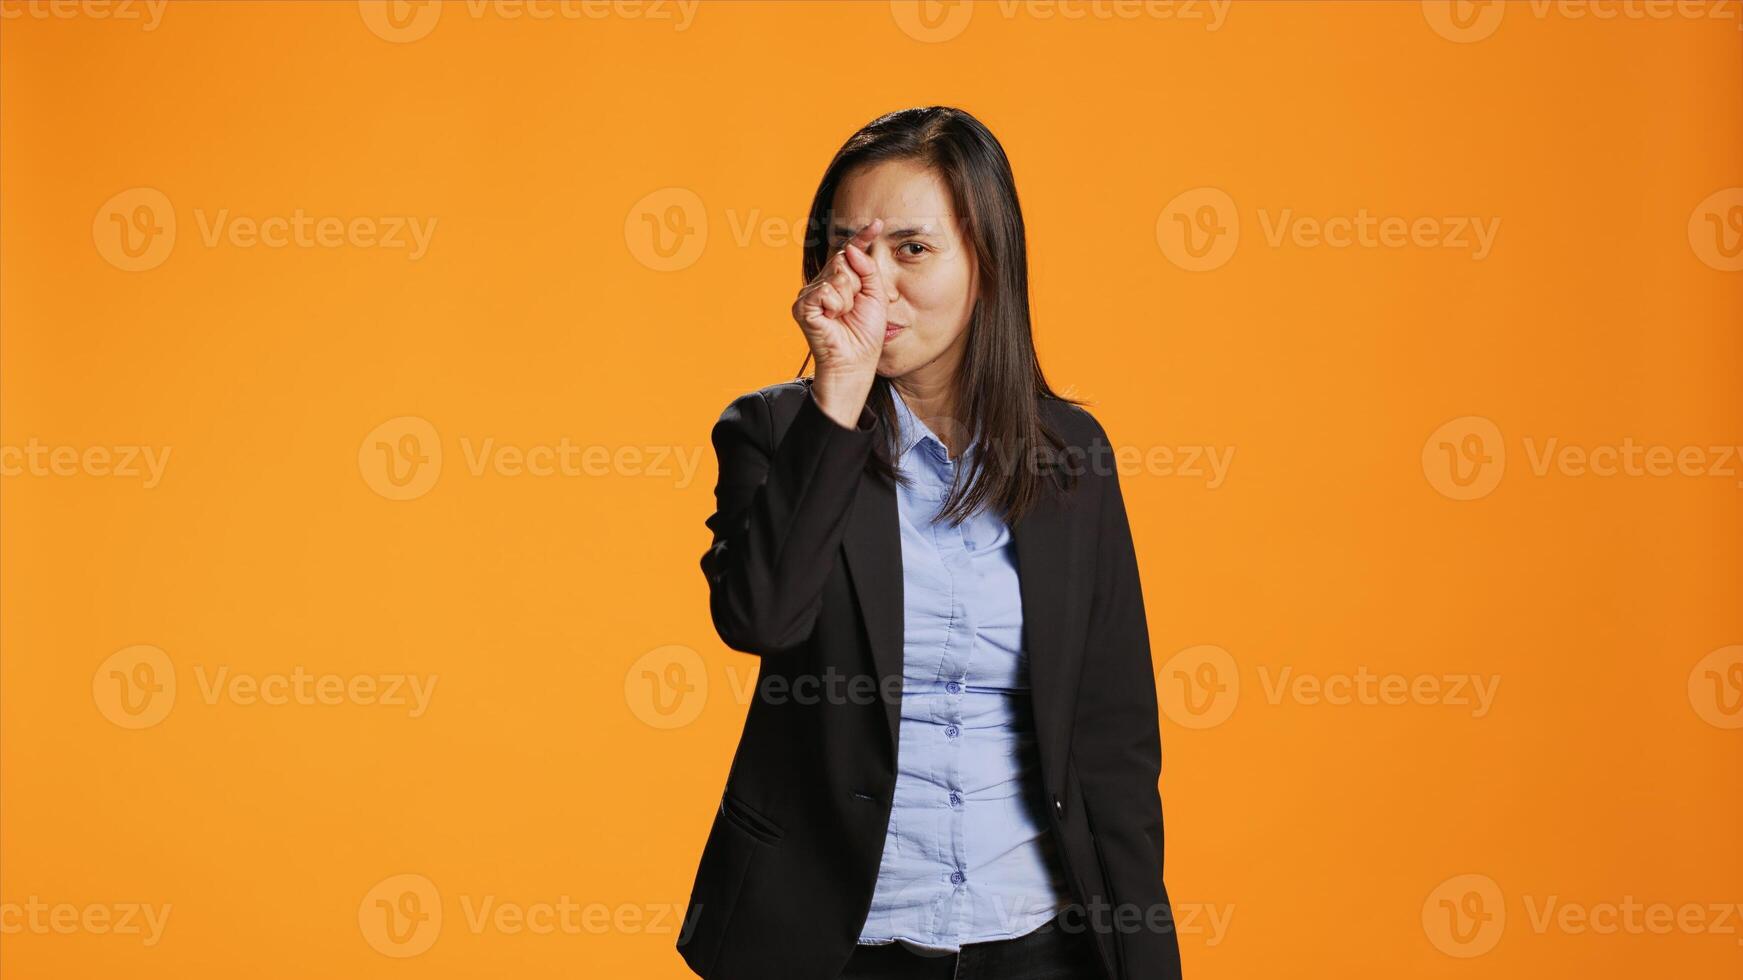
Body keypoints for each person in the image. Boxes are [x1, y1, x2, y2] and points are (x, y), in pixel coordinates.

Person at [677, 106, 1182, 980]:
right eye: (849, 247)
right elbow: (761, 616)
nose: (873, 280)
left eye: (912, 249)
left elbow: (1113, 740)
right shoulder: (773, 430)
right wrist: (838, 390)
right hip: (831, 945)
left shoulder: (1070, 457)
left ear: (986, 263)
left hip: (1037, 942)